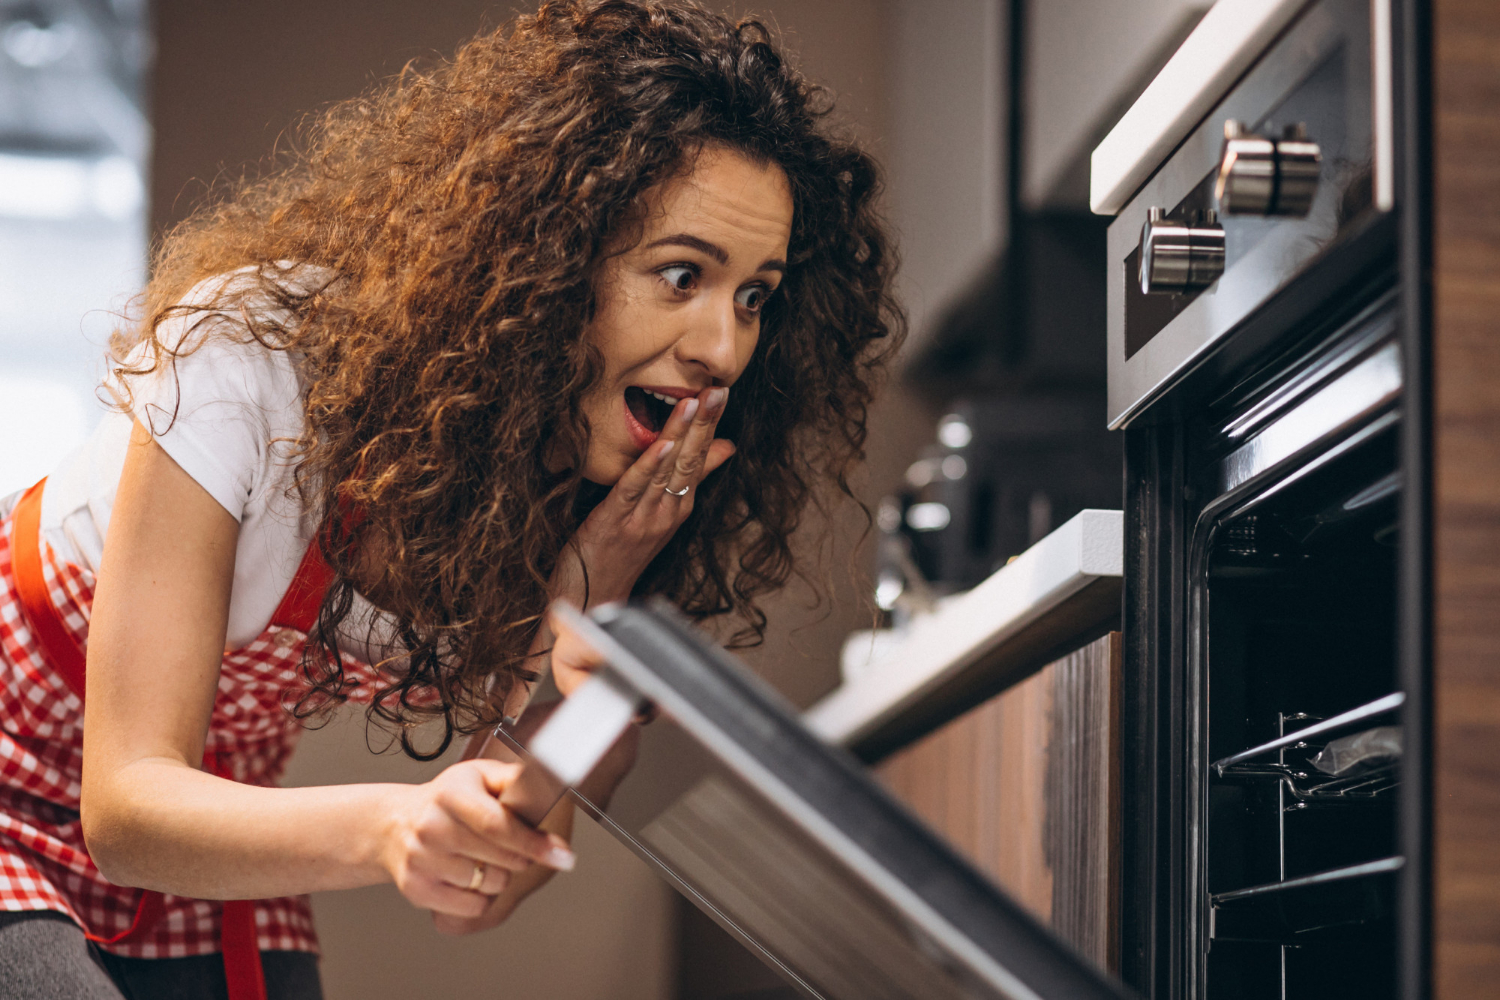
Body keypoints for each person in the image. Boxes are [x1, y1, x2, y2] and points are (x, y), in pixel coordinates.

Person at [0, 1, 901, 997]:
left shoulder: (586, 495)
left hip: (205, 823)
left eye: (753, 296)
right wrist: (394, 822)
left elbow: (468, 894)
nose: (722, 349)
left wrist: (590, 597)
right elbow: (125, 809)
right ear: (550, 258)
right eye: (680, 274)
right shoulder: (252, 358)